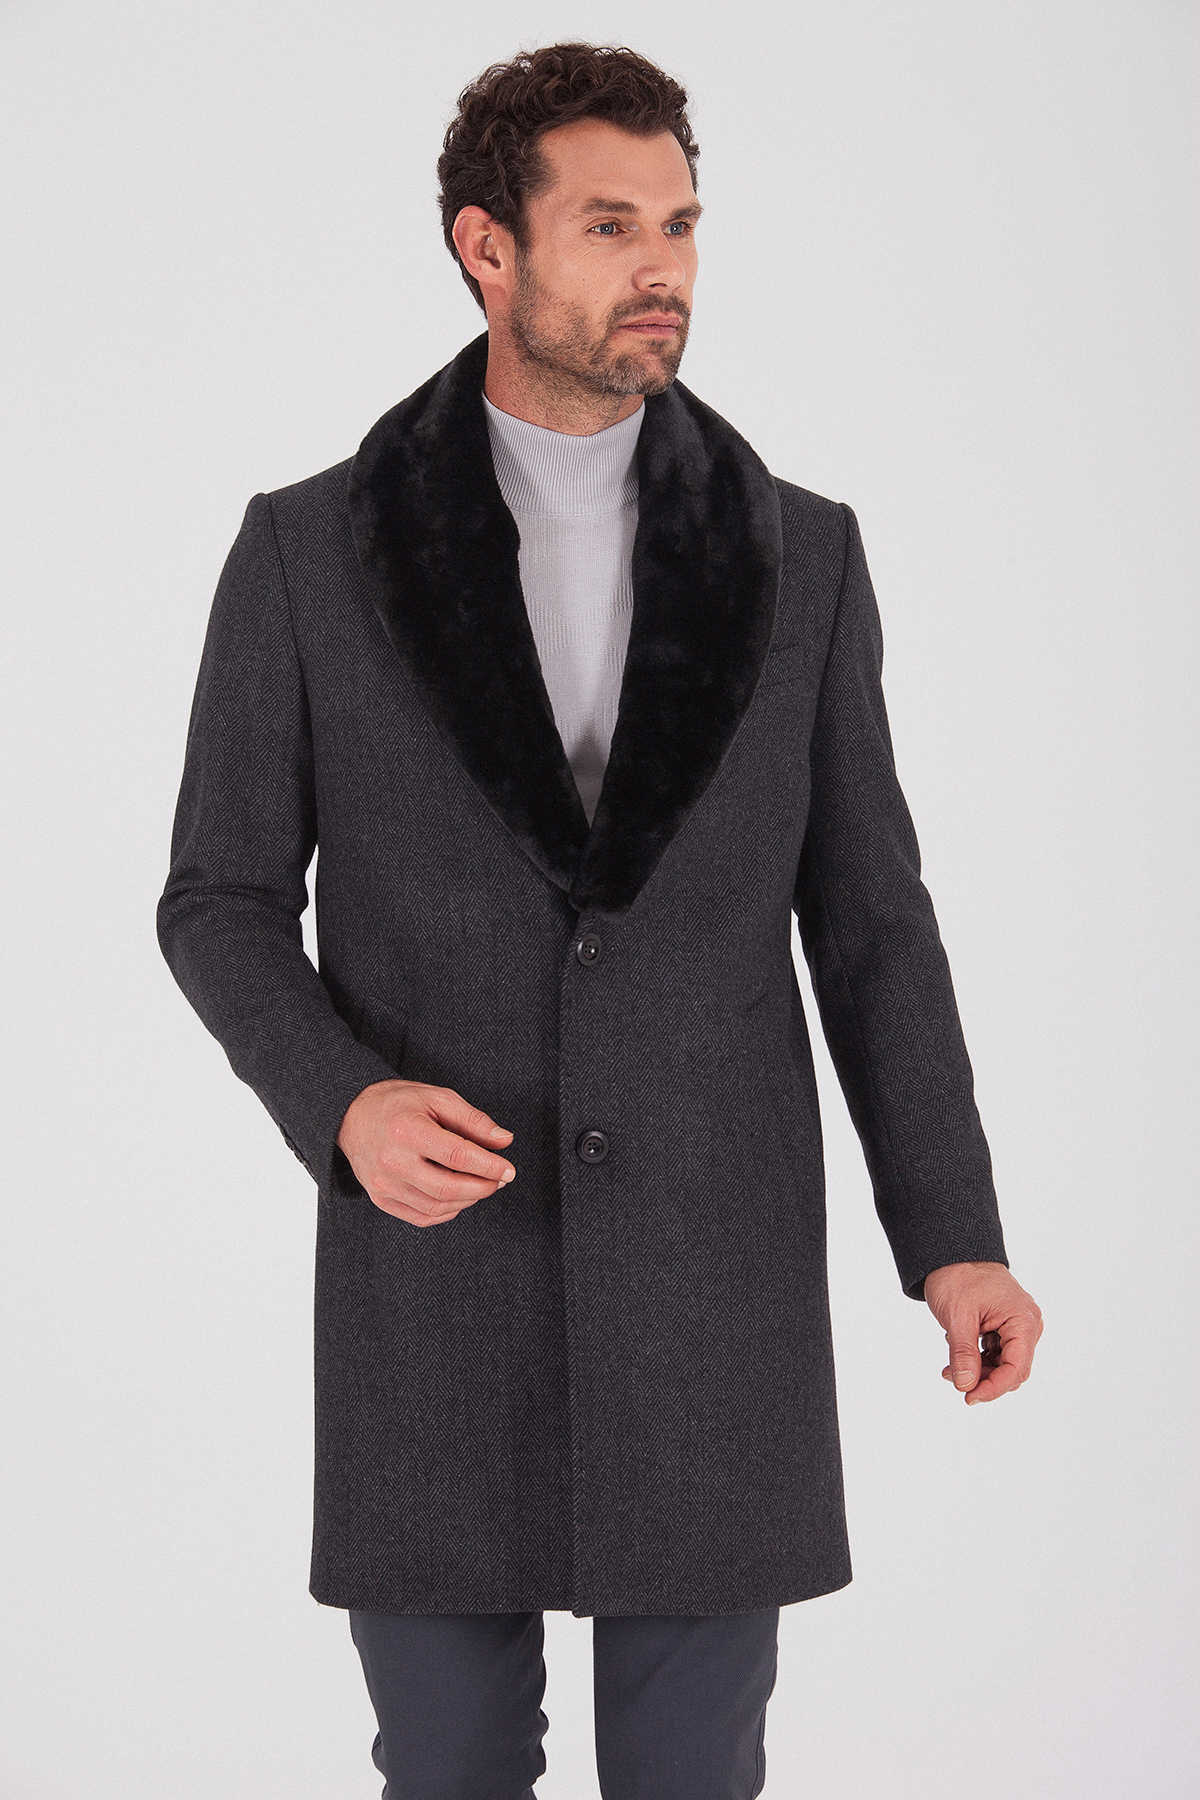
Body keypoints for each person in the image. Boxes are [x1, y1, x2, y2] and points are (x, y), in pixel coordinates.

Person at [156, 39, 1044, 1799]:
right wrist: (340, 1102)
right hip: (438, 1283)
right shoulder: (309, 554)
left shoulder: (802, 558)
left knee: (695, 1776)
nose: (664, 269)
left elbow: (872, 924)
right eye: (612, 224)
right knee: (449, 1770)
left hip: (715, 1291)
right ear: (488, 248)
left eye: (684, 225)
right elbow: (220, 900)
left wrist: (952, 1236)